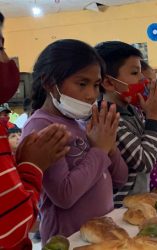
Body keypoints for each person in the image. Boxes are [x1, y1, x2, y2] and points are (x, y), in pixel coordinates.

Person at [21, 39, 128, 244]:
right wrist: (99, 150)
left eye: (96, 85)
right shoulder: (42, 127)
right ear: (50, 84)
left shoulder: (80, 124)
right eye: (82, 83)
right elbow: (64, 195)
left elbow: (120, 179)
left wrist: (110, 147)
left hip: (101, 235)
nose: (91, 95)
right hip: (70, 241)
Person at [0, 11, 72, 249]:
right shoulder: (40, 124)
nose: (8, 60)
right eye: (0, 48)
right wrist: (32, 168)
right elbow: (13, 225)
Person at [95, 41, 157, 206]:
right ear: (108, 83)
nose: (142, 79)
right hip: (120, 208)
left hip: (140, 201)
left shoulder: (134, 110)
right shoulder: (108, 119)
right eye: (135, 72)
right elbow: (145, 163)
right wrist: (152, 117)